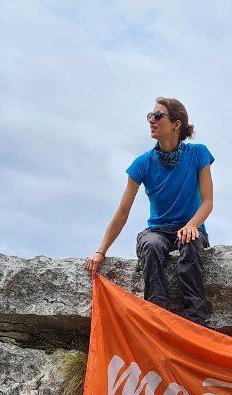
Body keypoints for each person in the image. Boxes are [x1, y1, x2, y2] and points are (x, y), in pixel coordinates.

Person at [86, 97, 214, 325]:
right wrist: (101, 251)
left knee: (191, 243)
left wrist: (192, 225)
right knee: (152, 245)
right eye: (150, 116)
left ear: (176, 124)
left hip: (191, 228)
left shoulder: (198, 154)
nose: (151, 121)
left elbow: (207, 201)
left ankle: (197, 324)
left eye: (158, 116)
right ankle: (157, 320)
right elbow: (123, 212)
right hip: (158, 230)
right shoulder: (142, 163)